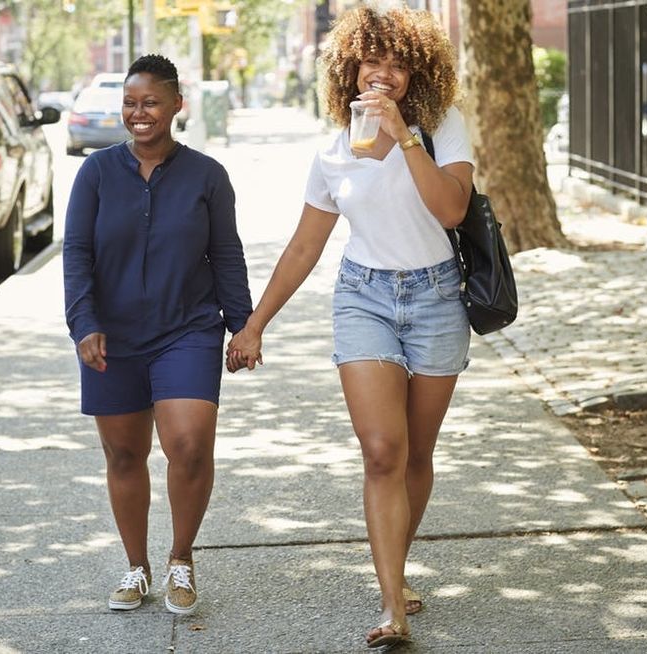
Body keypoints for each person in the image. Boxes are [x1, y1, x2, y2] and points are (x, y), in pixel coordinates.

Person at [227, 5, 473, 648]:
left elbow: (450, 210)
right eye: (373, 62)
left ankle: (399, 565)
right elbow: (305, 248)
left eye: (398, 65)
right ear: (350, 68)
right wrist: (255, 325)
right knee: (383, 451)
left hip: (437, 296)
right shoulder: (336, 148)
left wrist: (406, 135)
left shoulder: (444, 127)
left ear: (416, 75)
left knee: (418, 453)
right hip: (364, 296)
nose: (384, 75)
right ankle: (392, 604)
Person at [63, 54, 252, 615]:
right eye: (129, 103)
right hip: (112, 338)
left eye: (149, 102)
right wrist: (84, 323)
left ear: (175, 105)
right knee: (124, 454)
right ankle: (137, 566)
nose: (138, 113)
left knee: (189, 445)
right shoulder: (95, 173)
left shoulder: (207, 176)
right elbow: (77, 255)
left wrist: (242, 326)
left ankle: (180, 558)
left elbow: (226, 255)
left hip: (188, 329)